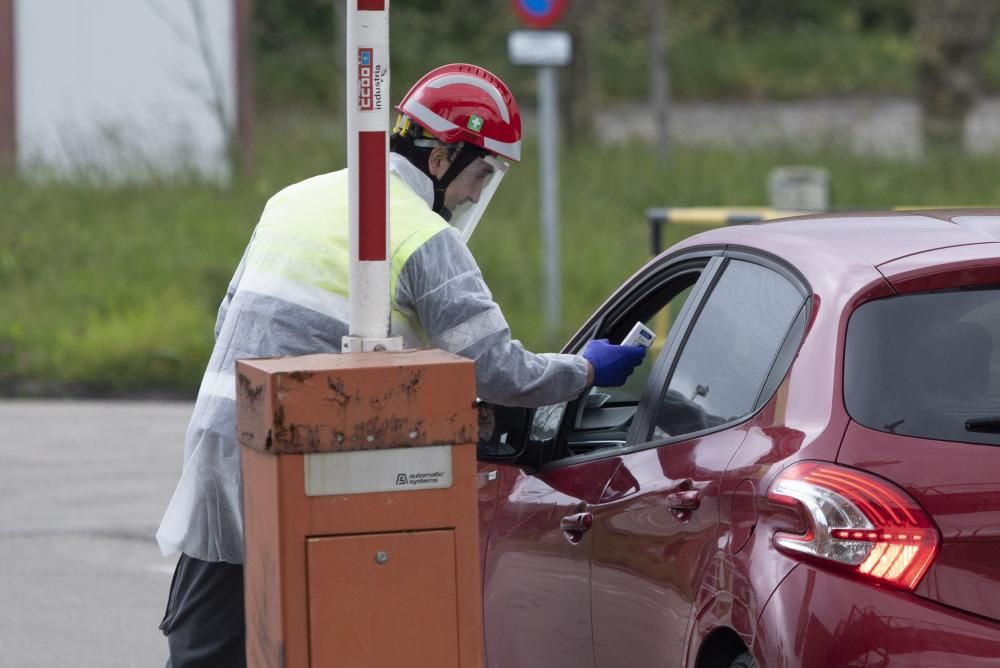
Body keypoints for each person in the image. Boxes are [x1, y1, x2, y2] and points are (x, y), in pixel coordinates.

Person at [155, 63, 645, 667]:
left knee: (209, 646)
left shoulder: (293, 198)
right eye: (480, 174)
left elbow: (229, 321)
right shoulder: (422, 236)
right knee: (326, 645)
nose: (473, 193)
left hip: (222, 447)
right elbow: (498, 370)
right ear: (440, 160)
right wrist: (585, 370)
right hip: (318, 473)